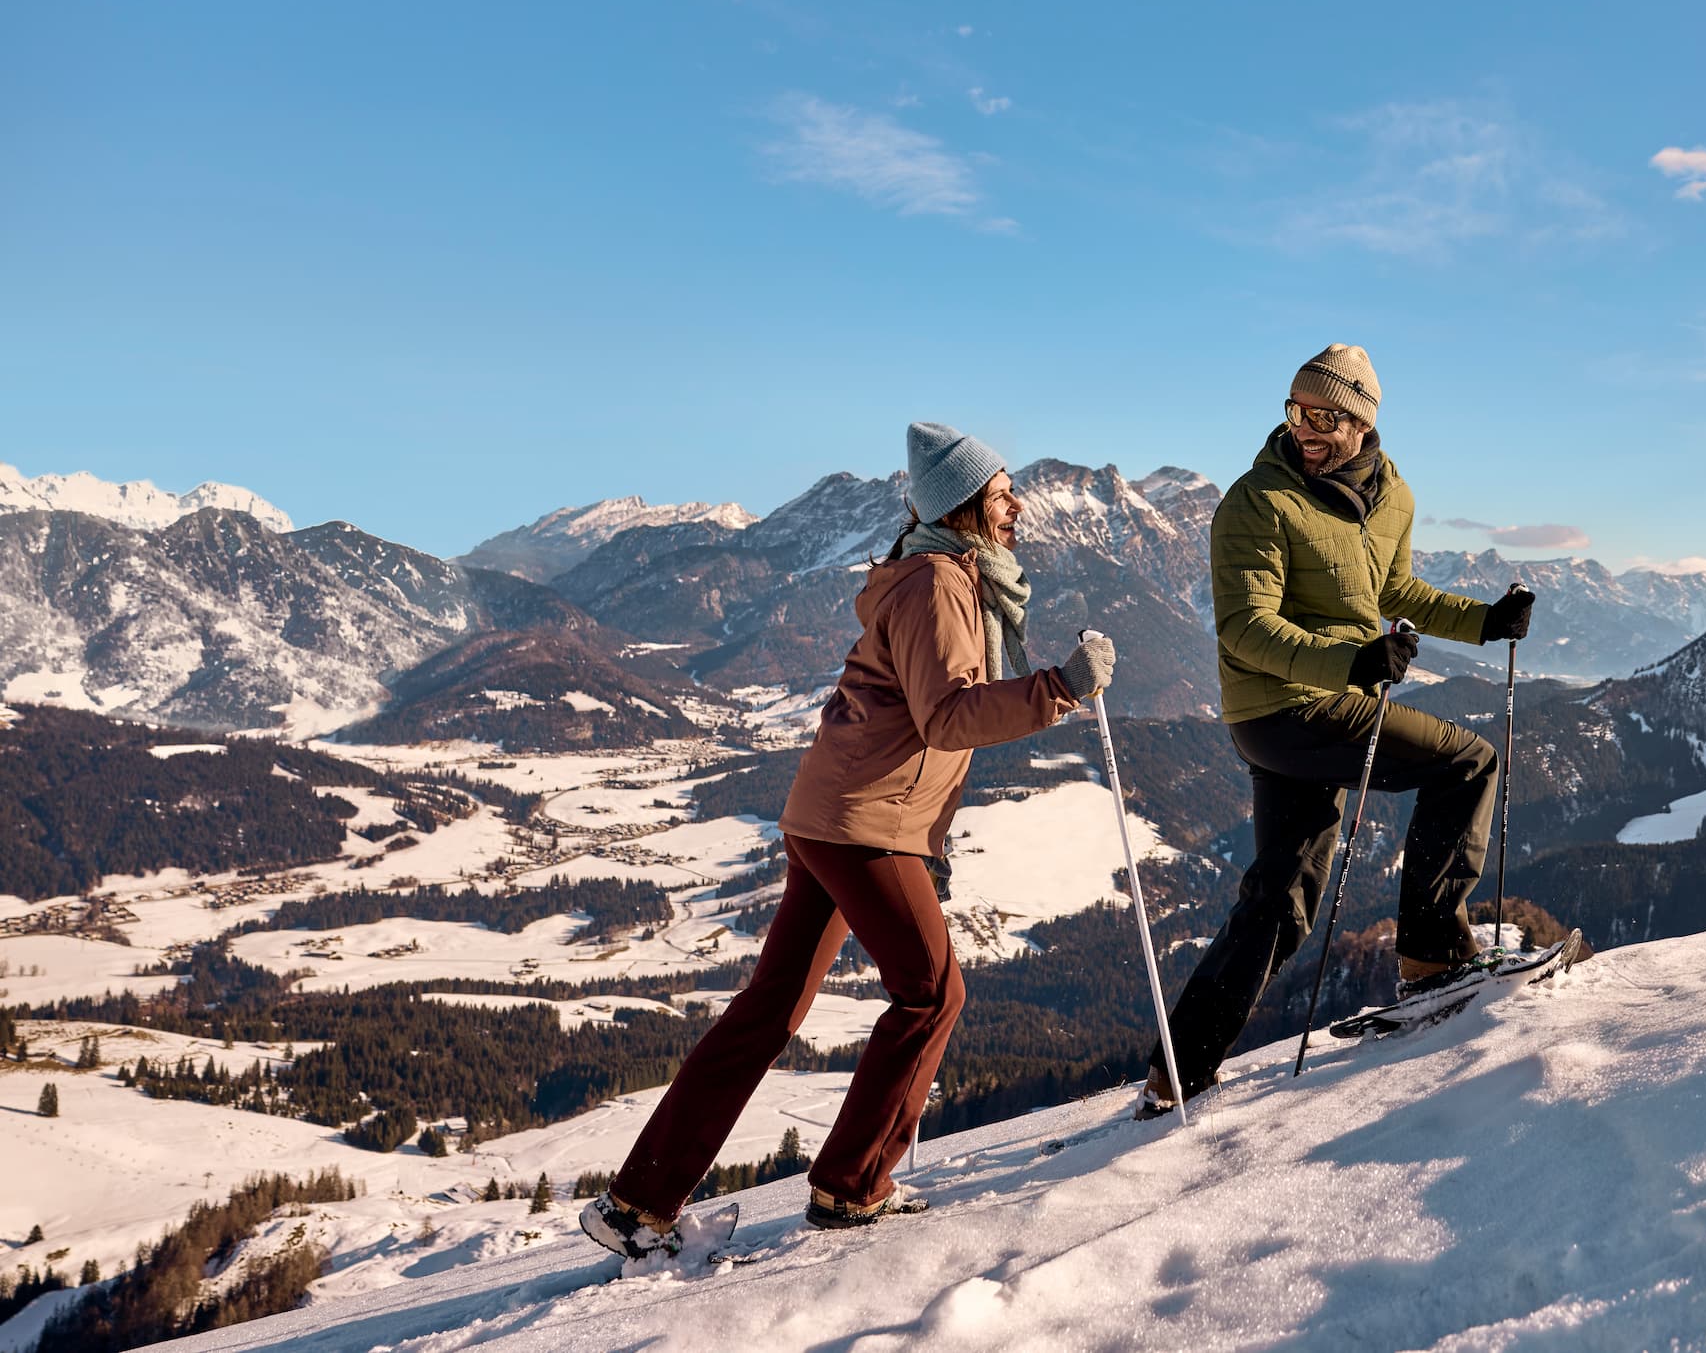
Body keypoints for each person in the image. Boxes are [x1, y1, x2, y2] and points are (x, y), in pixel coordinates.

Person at [582, 423, 1115, 1257]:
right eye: (1005, 492)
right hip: (865, 823)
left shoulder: (939, 573)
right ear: (968, 505)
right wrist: (1059, 689)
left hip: (829, 814)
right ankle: (851, 1184)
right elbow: (948, 713)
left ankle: (638, 1202)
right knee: (934, 992)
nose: (1018, 506)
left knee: (769, 1008)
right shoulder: (938, 582)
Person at [1146, 344, 1532, 1110]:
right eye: (1296, 411)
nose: (1307, 429)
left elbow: (1396, 588)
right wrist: (1353, 663)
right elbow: (1244, 630)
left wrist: (1485, 622)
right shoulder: (1257, 501)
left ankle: (1177, 1070)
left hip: (1323, 702)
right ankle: (1430, 955)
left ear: (1361, 420)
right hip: (1285, 707)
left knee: (1283, 898)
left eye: (1324, 416)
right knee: (1468, 762)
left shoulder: (1394, 498)